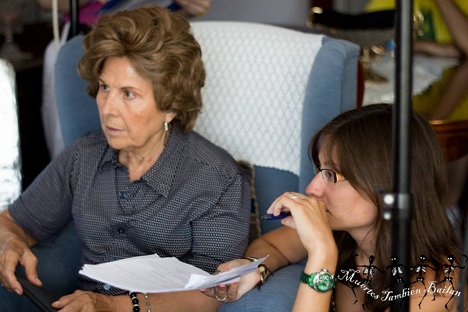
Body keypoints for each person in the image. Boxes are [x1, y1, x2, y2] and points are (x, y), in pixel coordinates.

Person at [0, 6, 250, 312]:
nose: (107, 109)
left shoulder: (217, 179)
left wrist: (112, 306)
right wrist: (9, 242)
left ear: (171, 103)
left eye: (129, 94)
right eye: (105, 87)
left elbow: (211, 294)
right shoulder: (84, 155)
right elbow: (14, 222)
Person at [202, 104, 463, 312]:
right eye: (319, 170)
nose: (313, 188)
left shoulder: (431, 284)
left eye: (332, 175)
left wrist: (321, 252)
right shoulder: (343, 232)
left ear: (385, 184)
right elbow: (273, 247)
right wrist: (254, 269)